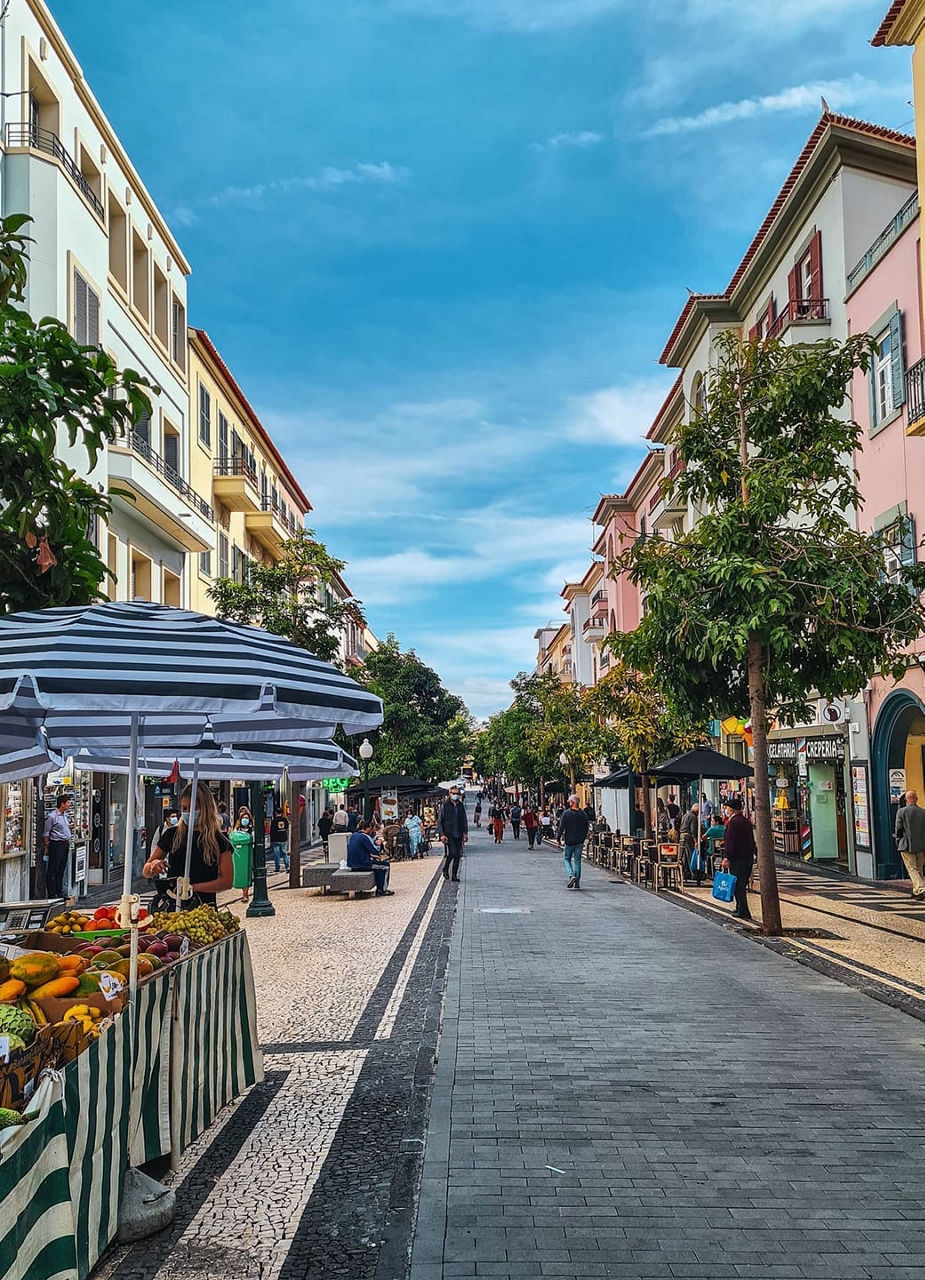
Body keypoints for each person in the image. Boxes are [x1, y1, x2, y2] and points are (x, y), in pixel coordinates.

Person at [143, 783, 233, 907]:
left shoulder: (219, 840)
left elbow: (227, 881)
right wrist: (153, 866)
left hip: (205, 910)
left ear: (205, 809)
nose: (187, 813)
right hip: (172, 908)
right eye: (184, 809)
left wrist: (192, 888)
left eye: (193, 808)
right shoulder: (172, 835)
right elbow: (146, 871)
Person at [721, 796, 755, 921]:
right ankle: (739, 908)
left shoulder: (734, 823)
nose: (726, 810)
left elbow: (731, 842)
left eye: (727, 808)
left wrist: (726, 857)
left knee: (738, 886)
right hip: (747, 858)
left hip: (737, 859)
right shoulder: (746, 821)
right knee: (740, 884)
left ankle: (743, 911)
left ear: (732, 810)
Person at [347, 819, 393, 895]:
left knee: (378, 865)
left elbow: (360, 850)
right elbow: (374, 850)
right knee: (385, 866)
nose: (372, 831)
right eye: (371, 829)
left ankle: (380, 887)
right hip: (363, 864)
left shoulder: (353, 835)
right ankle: (382, 890)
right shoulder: (365, 837)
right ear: (368, 828)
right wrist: (378, 844)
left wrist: (372, 856)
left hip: (352, 864)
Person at [895, 790, 925, 897]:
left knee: (912, 868)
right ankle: (916, 891)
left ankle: (920, 888)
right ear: (916, 799)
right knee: (919, 868)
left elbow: (898, 830)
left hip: (906, 845)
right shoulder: (923, 812)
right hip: (921, 846)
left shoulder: (901, 812)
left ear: (906, 800)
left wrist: (898, 841)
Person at [557, 794, 590, 890]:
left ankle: (571, 876)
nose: (568, 803)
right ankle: (577, 883)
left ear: (572, 802)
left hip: (569, 841)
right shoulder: (583, 814)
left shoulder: (566, 813)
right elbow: (586, 828)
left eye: (569, 801)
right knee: (577, 861)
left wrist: (558, 838)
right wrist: (583, 839)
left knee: (567, 859)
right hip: (579, 841)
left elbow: (561, 827)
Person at [43, 794, 72, 898]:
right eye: (67, 802)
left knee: (61, 868)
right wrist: (47, 845)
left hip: (65, 843)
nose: (69, 804)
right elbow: (46, 832)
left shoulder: (65, 815)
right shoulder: (52, 816)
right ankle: (51, 893)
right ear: (62, 804)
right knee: (53, 869)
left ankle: (59, 892)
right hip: (56, 844)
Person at [438, 786, 468, 881]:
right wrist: (442, 834)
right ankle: (446, 868)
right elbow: (440, 821)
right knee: (452, 853)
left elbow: (464, 819)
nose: (455, 795)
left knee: (458, 855)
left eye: (457, 794)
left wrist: (465, 832)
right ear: (449, 794)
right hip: (449, 833)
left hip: (459, 832)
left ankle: (454, 875)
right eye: (453, 793)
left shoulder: (460, 805)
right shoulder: (445, 806)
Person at [230, 805, 255, 903]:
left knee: (248, 872)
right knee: (242, 872)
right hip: (240, 854)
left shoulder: (252, 828)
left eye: (247, 818)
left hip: (250, 853)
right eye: (243, 818)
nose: (245, 819)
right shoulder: (237, 829)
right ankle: (245, 893)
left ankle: (246, 894)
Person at [679, 803, 700, 880]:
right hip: (688, 837)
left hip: (682, 836)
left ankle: (686, 872)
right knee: (690, 855)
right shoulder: (693, 817)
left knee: (684, 856)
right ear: (696, 811)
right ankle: (693, 872)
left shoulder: (685, 815)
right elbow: (693, 830)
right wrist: (695, 841)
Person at [270, 807, 290, 873]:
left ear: (276, 813)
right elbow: (287, 826)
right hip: (283, 839)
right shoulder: (284, 820)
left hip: (275, 840)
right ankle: (287, 866)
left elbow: (272, 831)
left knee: (276, 854)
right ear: (282, 813)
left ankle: (277, 867)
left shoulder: (274, 821)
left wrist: (271, 839)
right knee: (284, 853)